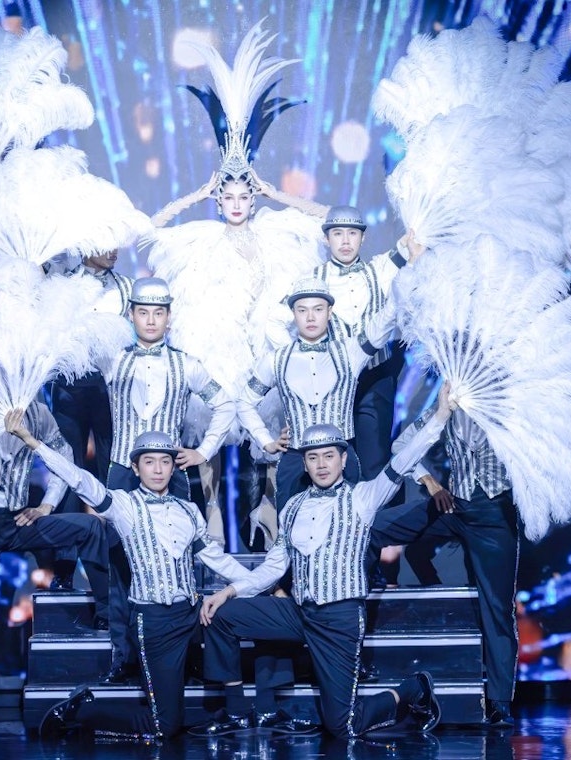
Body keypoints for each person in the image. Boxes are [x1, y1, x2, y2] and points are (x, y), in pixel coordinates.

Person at [147, 21, 328, 549]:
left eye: (244, 196)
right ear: (218, 200)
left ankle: (264, 544)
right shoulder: (201, 237)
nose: (235, 203)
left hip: (261, 352)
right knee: (207, 454)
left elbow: (329, 221)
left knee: (264, 457)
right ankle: (208, 539)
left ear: (254, 199)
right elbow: (149, 230)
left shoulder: (277, 231)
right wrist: (192, 195)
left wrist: (279, 194)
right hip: (215, 350)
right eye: (226, 197)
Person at [193, 392, 455, 738]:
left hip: (339, 619)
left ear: (343, 460)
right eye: (313, 457)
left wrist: (440, 415)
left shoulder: (363, 498)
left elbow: (403, 460)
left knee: (343, 726)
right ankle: (238, 710)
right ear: (304, 464)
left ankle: (413, 690)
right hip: (299, 614)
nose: (320, 464)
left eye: (328, 456)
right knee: (220, 615)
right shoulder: (293, 508)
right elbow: (273, 568)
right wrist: (228, 591)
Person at [4, 425, 256, 742]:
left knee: (230, 617)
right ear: (136, 468)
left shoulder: (189, 510)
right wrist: (34, 443)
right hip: (154, 622)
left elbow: (217, 560)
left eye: (165, 462)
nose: (158, 469)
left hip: (190, 616)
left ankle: (238, 711)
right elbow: (80, 480)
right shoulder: (124, 506)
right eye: (149, 462)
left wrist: (257, 584)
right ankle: (79, 712)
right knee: (165, 727)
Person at [0, 398, 118, 736]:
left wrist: (46, 504)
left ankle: (105, 612)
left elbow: (63, 457)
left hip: (17, 518)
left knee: (90, 527)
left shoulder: (39, 412)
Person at [366, 400, 522, 729]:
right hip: (453, 504)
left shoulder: (514, 405)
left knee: (497, 607)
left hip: (495, 516)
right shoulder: (448, 403)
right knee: (372, 527)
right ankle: (361, 602)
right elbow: (403, 442)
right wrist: (428, 480)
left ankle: (500, 701)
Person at [236, 276, 407, 511]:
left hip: (342, 458)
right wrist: (266, 441)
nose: (310, 317)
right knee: (292, 537)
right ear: (293, 314)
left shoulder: (351, 351)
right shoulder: (276, 360)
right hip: (295, 461)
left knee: (346, 532)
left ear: (330, 312)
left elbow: (385, 320)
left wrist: (407, 276)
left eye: (318, 309)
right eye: (302, 310)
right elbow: (245, 402)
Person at [40, 248, 134, 590]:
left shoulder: (125, 286)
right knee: (67, 470)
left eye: (116, 244)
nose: (113, 252)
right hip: (68, 387)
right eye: (104, 244)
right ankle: (64, 568)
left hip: (111, 389)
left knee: (115, 472)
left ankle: (119, 564)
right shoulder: (62, 280)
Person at [97, 276, 234, 501]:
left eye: (158, 313)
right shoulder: (112, 360)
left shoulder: (187, 364)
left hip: (171, 474)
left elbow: (226, 406)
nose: (151, 321)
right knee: (119, 536)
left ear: (168, 317)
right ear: (131, 315)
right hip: (123, 470)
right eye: (143, 312)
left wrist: (203, 451)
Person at [310, 206, 412, 480]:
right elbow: (279, 324)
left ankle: (378, 523)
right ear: (326, 238)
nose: (345, 241)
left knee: (374, 460)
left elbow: (413, 243)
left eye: (352, 233)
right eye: (338, 233)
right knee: (336, 461)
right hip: (333, 382)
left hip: (376, 379)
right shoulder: (312, 281)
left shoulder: (380, 269)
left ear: (363, 238)